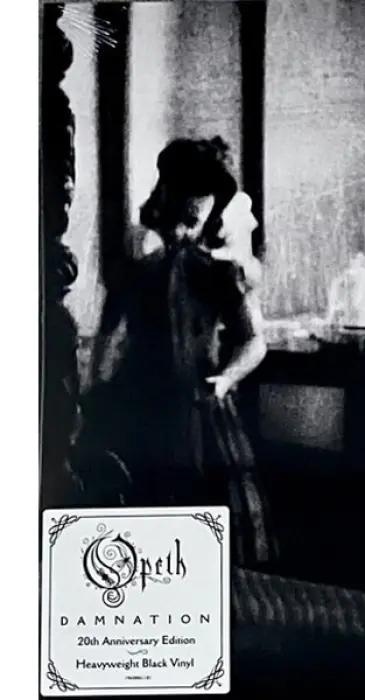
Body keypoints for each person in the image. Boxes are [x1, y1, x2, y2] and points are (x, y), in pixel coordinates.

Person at [76, 136, 277, 568]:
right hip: (139, 402)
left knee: (202, 515)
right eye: (177, 216)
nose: (182, 231)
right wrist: (95, 384)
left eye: (193, 221)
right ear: (161, 201)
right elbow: (107, 333)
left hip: (198, 404)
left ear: (208, 219)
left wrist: (226, 378)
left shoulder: (218, 274)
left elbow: (253, 341)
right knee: (133, 513)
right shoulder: (134, 269)